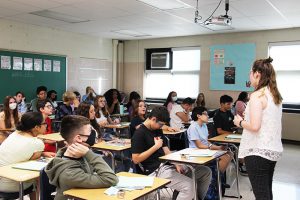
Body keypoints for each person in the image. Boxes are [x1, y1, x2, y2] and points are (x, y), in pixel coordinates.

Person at [131, 106, 211, 200]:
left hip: (167, 165)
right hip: (155, 170)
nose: (161, 127)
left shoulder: (157, 129)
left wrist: (176, 163)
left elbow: (166, 149)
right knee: (189, 186)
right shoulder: (139, 133)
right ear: (153, 119)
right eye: (161, 125)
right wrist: (155, 147)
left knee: (205, 172)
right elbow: (135, 159)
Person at [233, 57, 283, 200]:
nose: (249, 75)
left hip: (257, 151)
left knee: (261, 194)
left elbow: (255, 126)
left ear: (257, 74)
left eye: (250, 72)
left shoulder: (256, 95)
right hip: (271, 150)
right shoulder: (274, 95)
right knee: (266, 191)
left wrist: (240, 122)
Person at [45, 115, 118, 200]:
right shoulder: (69, 173)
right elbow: (110, 179)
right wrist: (89, 154)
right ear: (79, 138)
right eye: (90, 132)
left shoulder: (77, 155)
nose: (94, 134)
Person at [0, 112, 46, 199]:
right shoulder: (37, 143)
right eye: (44, 123)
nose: (46, 126)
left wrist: (42, 153)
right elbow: (31, 163)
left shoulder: (15, 134)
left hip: (2, 179)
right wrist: (42, 154)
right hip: (12, 185)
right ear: (36, 127)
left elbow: (19, 153)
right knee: (38, 177)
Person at [187, 106, 233, 173]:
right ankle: (216, 179)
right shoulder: (193, 127)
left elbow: (206, 141)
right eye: (205, 114)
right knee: (225, 157)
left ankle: (218, 178)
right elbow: (199, 145)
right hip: (197, 151)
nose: (208, 116)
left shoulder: (204, 125)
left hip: (206, 150)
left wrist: (217, 147)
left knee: (230, 153)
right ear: (198, 116)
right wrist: (213, 148)